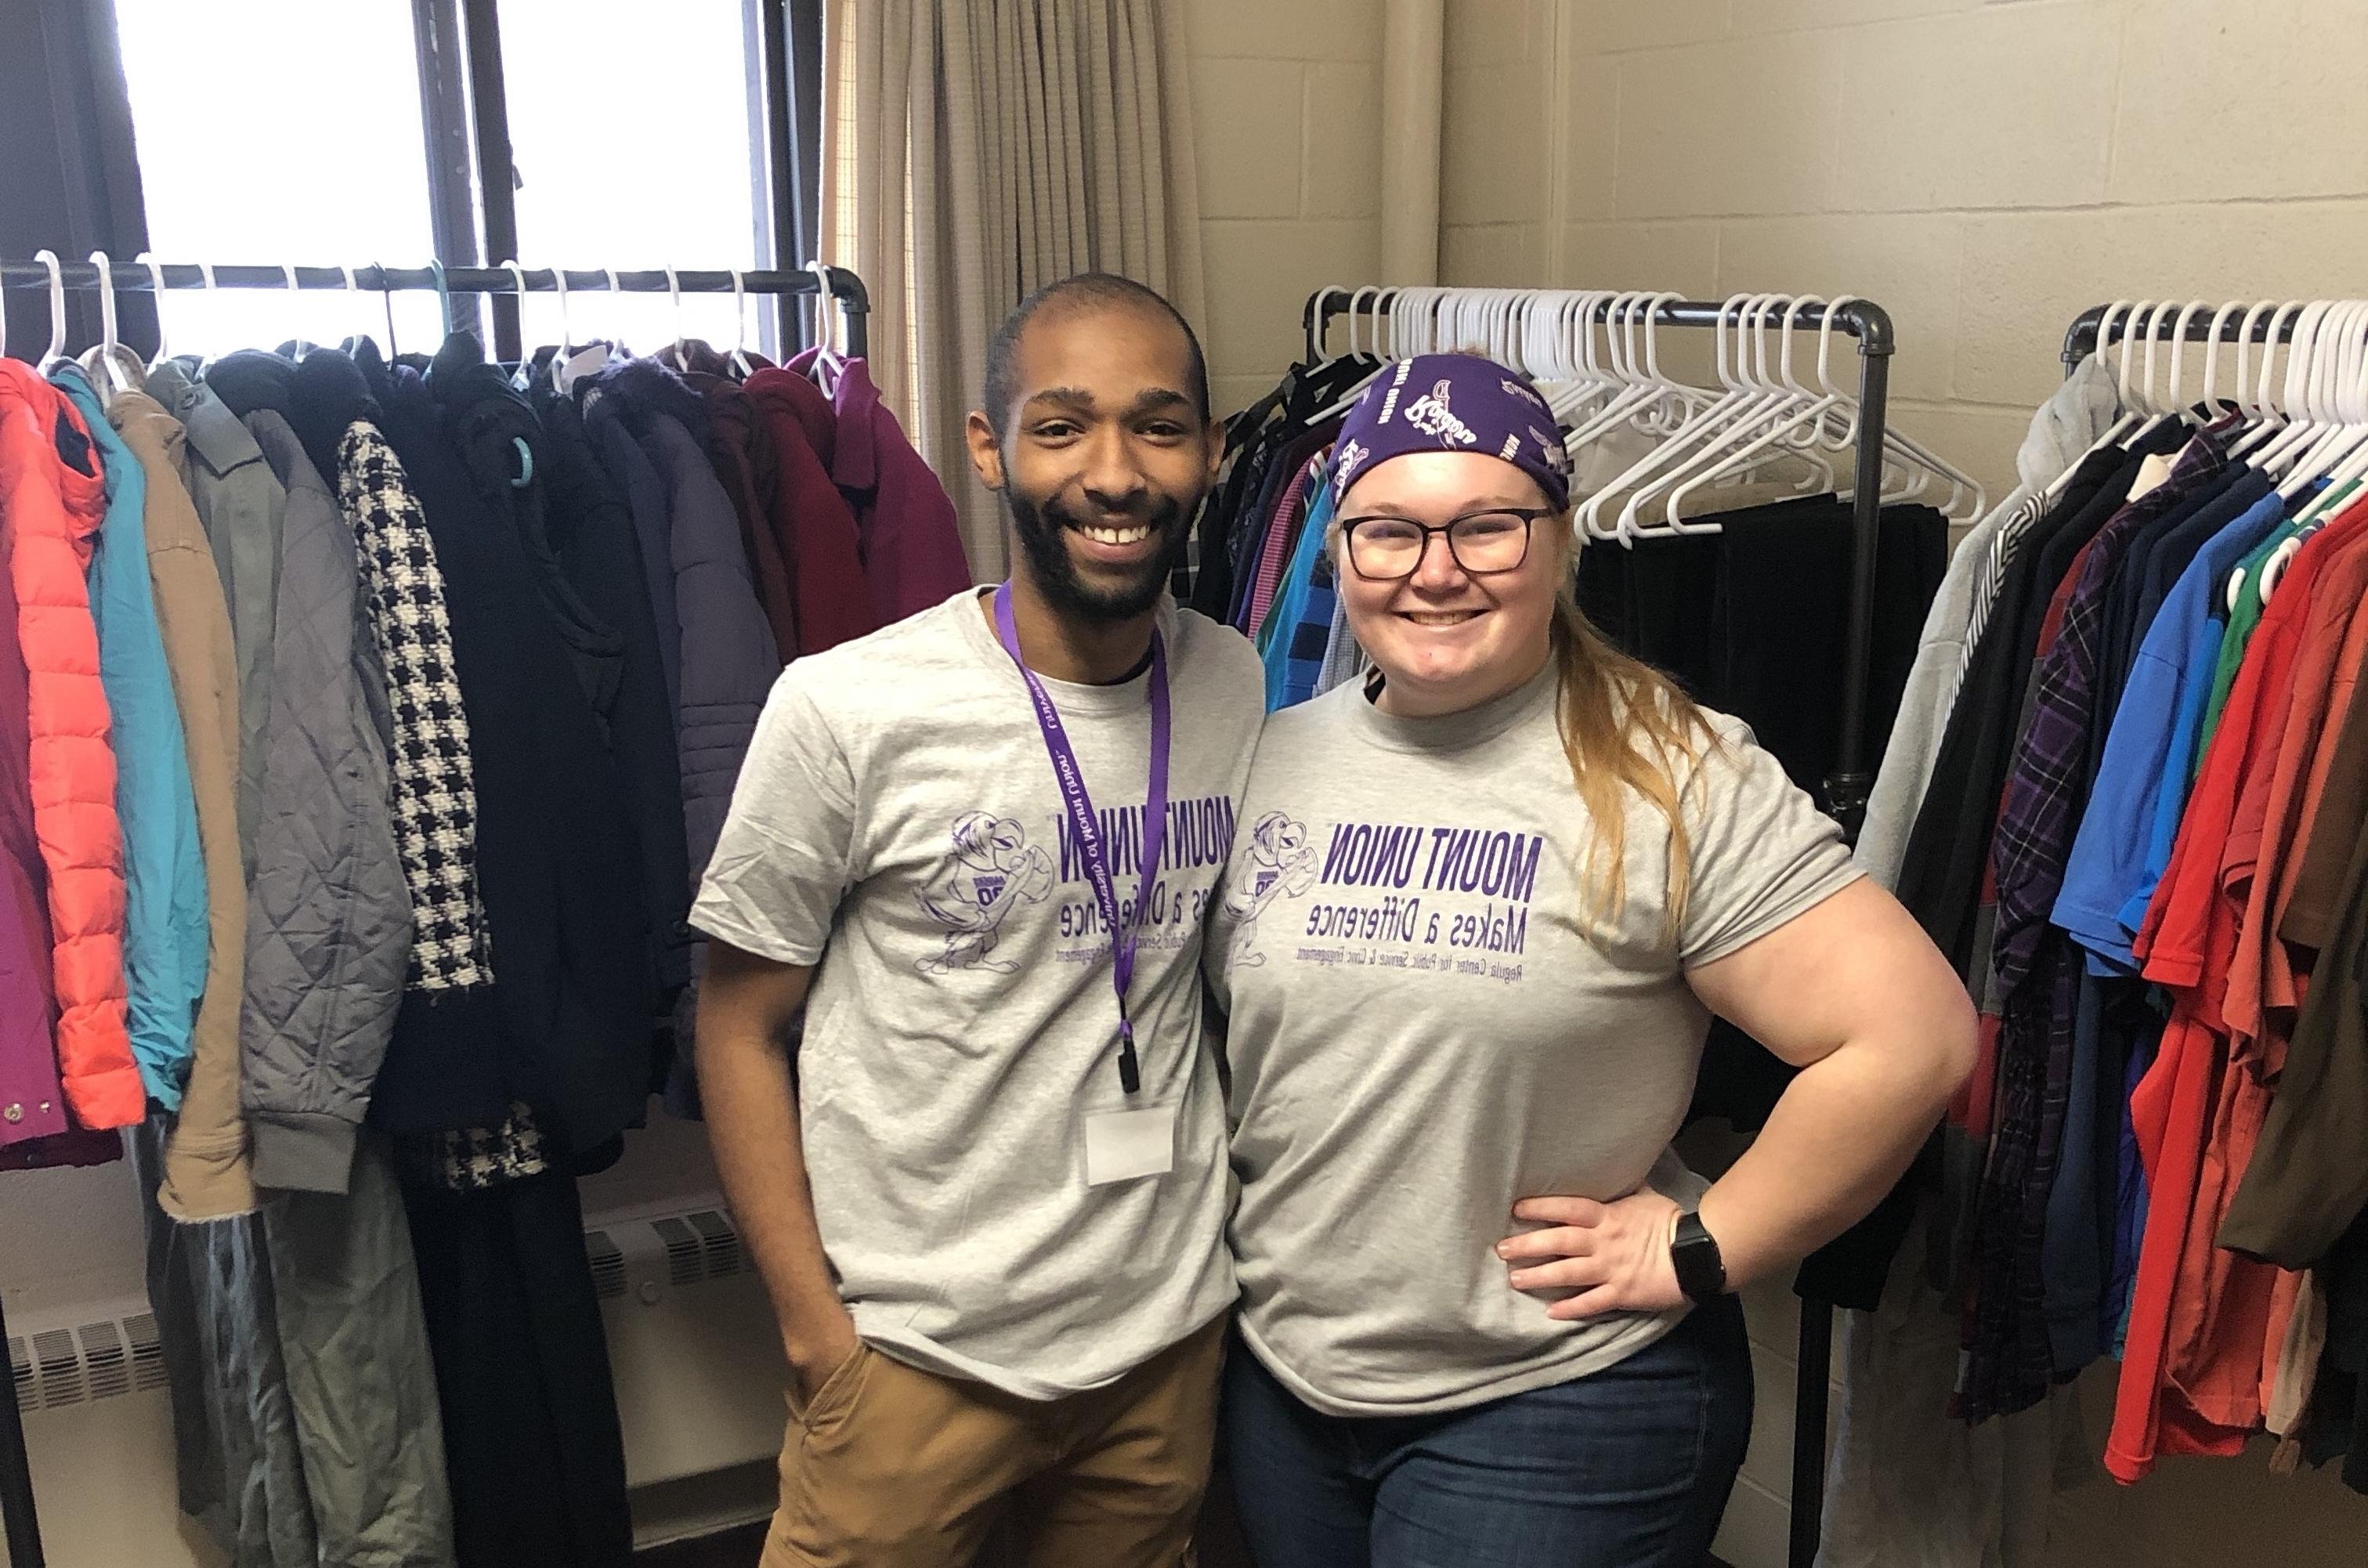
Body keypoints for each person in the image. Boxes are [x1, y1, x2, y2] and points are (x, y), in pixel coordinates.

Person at [1209, 352, 1977, 1566]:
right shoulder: (1268, 750)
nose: (1435, 569)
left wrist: (1707, 1238)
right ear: (1340, 546)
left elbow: (1912, 1037)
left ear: (1560, 540)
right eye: (1389, 531)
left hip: (1555, 1398)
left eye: (1487, 526)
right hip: (1291, 1384)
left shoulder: (1670, 769)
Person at [691, 273, 1261, 1568]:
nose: (1113, 472)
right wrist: (814, 1332)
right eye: (1063, 426)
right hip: (914, 1355)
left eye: (1158, 426)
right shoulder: (846, 709)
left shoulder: (1233, 680)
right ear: (991, 448)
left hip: (1158, 1345)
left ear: (1211, 455)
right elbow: (736, 1025)